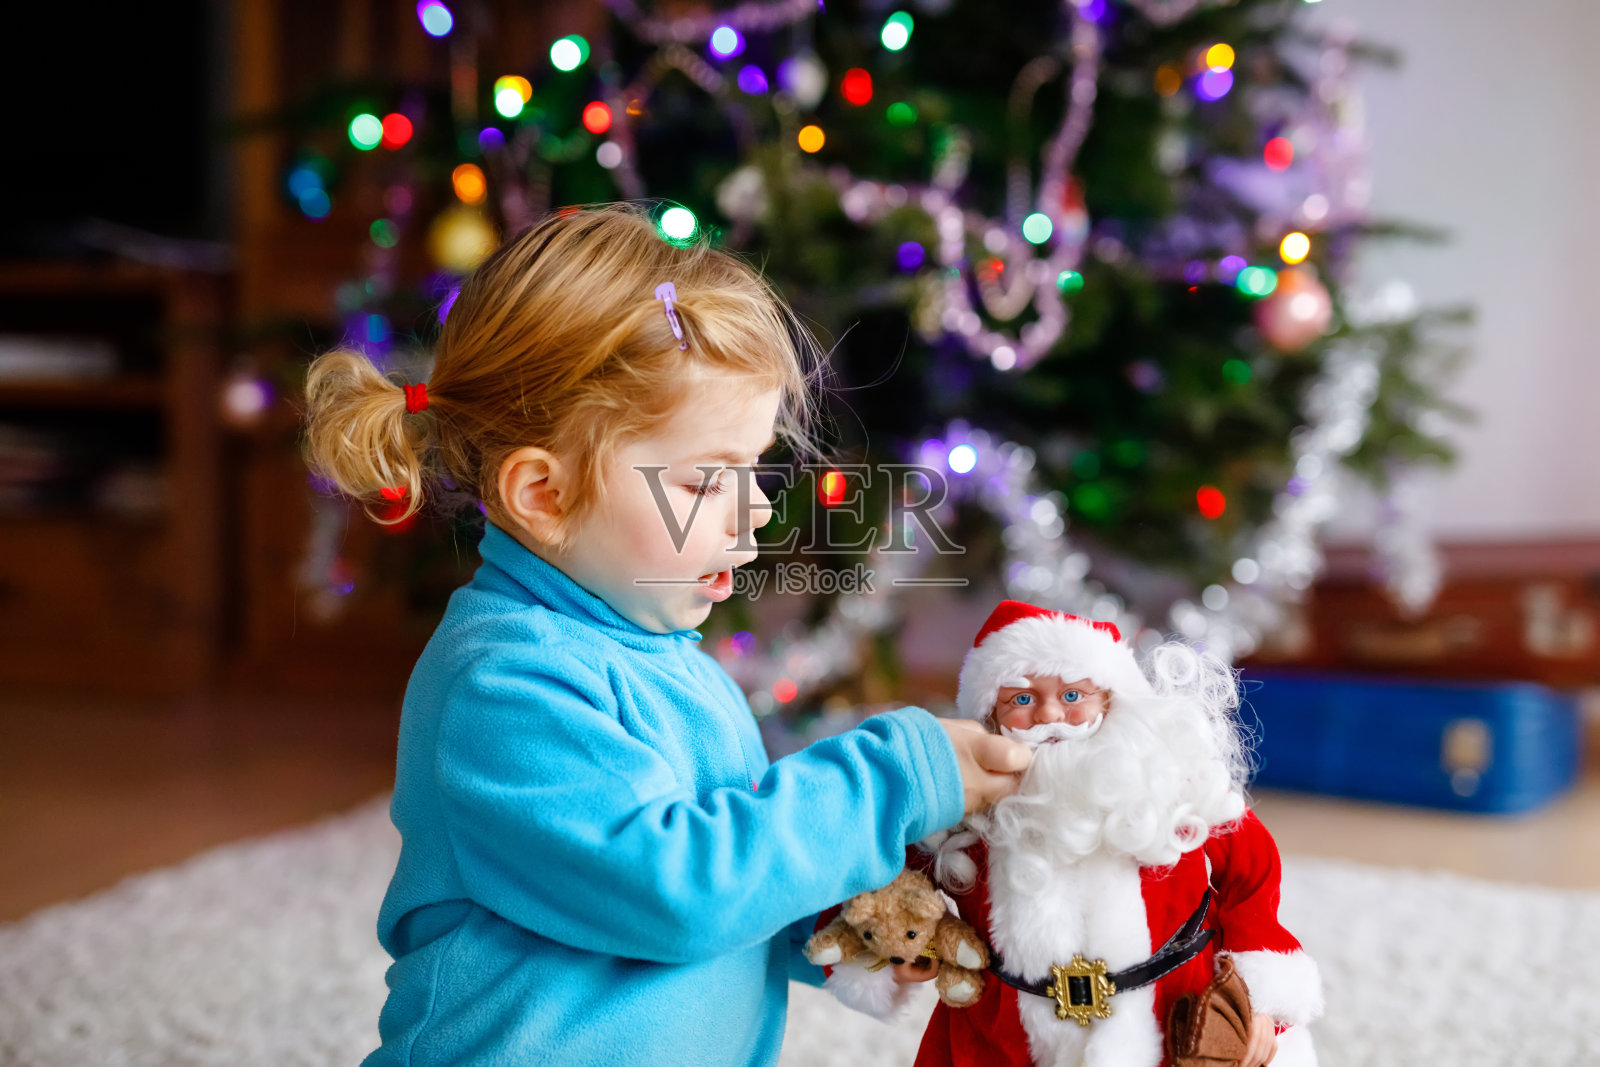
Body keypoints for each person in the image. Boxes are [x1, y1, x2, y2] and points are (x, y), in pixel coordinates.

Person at [302, 203, 1032, 1067]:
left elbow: (733, 880)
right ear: (545, 495)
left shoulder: (677, 668)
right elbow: (675, 889)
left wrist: (847, 919)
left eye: (755, 469)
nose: (755, 510)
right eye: (706, 480)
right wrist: (889, 780)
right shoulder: (500, 684)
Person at [825, 600, 1323, 1067]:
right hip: (1008, 1031)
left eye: (1071, 696)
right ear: (991, 714)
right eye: (1023, 698)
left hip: (1172, 1015)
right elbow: (887, 875)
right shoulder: (968, 806)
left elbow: (1252, 870)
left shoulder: (1170, 782)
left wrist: (1258, 994)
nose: (1049, 716)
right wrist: (889, 950)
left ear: (1109, 698)